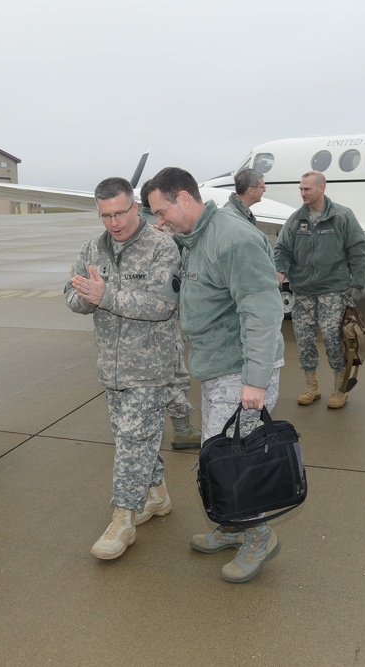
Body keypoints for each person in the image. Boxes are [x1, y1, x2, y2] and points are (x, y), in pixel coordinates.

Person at [147, 167, 285, 584]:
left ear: (184, 198)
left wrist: (256, 380)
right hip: (216, 367)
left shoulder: (232, 238)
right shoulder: (195, 238)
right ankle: (232, 526)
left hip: (241, 369)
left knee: (233, 459)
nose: (159, 220)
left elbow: (262, 310)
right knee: (218, 454)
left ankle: (259, 536)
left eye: (161, 211)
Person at [65, 177, 181, 560]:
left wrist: (106, 295)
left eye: (119, 213)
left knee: (132, 441)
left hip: (149, 366)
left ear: (135, 206)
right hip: (111, 368)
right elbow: (71, 293)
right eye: (105, 216)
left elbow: (162, 304)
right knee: (134, 439)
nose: (113, 223)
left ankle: (122, 520)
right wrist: (85, 298)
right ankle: (157, 495)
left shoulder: (161, 247)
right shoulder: (92, 248)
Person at [274, 171, 365, 409]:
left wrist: (356, 286)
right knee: (304, 341)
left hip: (333, 290)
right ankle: (311, 386)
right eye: (301, 189)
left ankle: (339, 388)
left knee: (334, 340)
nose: (303, 193)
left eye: (307, 189)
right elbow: (283, 249)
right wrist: (280, 270)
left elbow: (358, 251)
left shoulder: (342, 216)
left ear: (322, 188)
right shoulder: (296, 220)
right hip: (303, 291)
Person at [139, 179, 201, 449]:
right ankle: (183, 430)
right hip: (161, 322)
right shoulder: (157, 240)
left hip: (147, 322)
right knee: (173, 375)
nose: (161, 220)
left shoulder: (143, 236)